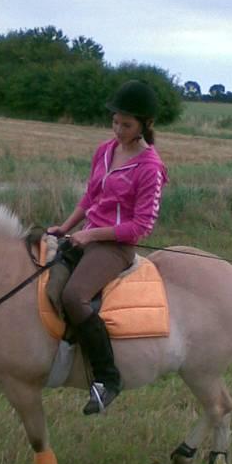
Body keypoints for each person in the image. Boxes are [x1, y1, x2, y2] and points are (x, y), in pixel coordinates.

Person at [47, 80, 168, 415]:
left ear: (146, 125)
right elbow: (90, 197)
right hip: (86, 235)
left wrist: (92, 236)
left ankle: (106, 378)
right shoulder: (104, 150)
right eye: (115, 121)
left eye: (126, 124)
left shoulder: (150, 168)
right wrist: (65, 227)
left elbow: (141, 227)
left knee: (74, 296)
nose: (118, 129)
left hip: (115, 247)